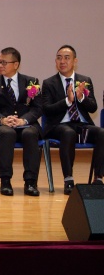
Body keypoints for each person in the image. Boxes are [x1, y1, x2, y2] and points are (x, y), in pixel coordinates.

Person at [42, 45, 104, 194]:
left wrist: (81, 97)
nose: (62, 61)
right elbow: (47, 109)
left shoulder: (85, 80)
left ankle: (98, 178)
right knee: (68, 132)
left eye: (66, 58)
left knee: (102, 133)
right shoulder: (49, 83)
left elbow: (93, 108)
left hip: (81, 125)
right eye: (59, 58)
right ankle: (68, 179)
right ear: (55, 61)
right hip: (58, 126)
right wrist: (67, 101)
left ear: (75, 61)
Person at [0, 47, 42, 197]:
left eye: (4, 62)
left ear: (16, 64)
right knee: (7, 133)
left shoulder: (31, 82)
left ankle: (30, 182)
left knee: (30, 133)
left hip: (26, 124)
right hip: (4, 126)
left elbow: (37, 108)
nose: (0, 65)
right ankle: (5, 181)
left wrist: (24, 120)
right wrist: (2, 119)